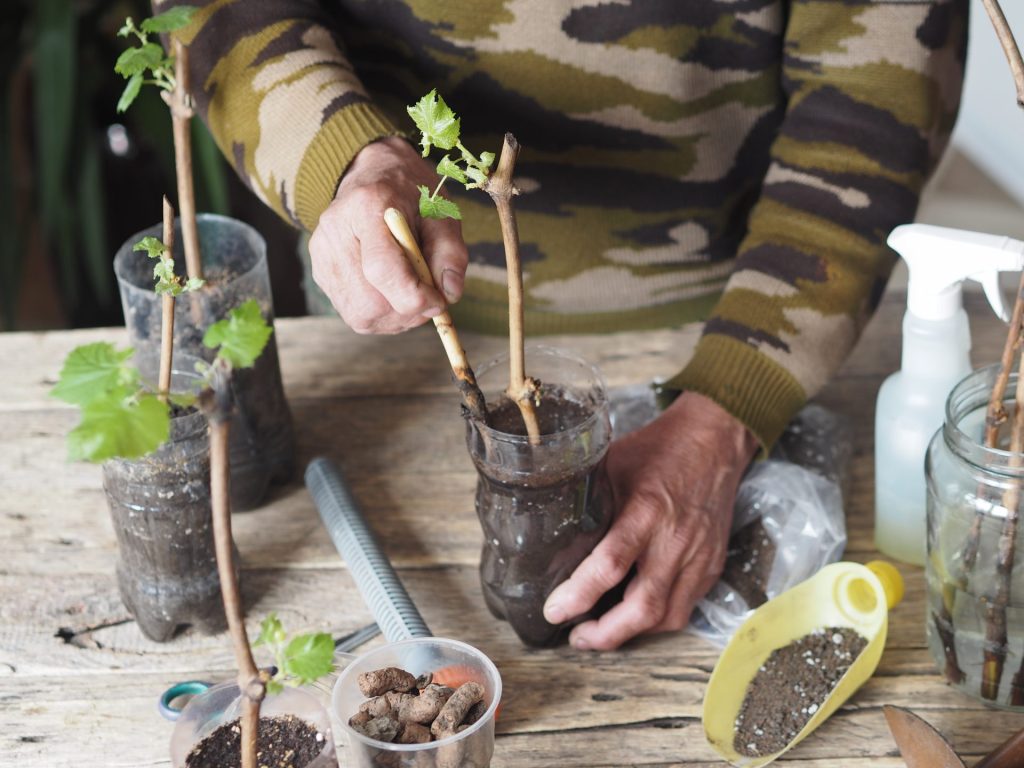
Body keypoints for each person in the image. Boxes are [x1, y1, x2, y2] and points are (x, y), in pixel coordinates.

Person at [166, 0, 968, 650]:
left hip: (745, 298)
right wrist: (341, 159)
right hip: (380, 294)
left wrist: (731, 406)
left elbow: (882, 80)